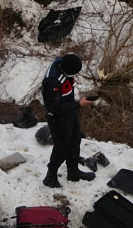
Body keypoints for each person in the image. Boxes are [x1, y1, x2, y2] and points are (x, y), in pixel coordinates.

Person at [41, 53, 96, 188]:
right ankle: (50, 175)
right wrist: (78, 105)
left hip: (69, 110)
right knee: (62, 147)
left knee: (75, 140)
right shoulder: (52, 82)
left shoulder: (63, 62)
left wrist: (75, 106)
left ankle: (73, 172)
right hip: (57, 116)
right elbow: (55, 109)